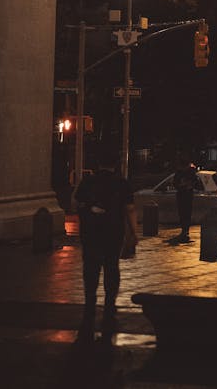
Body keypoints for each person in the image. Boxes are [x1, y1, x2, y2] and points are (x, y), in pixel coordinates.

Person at [74, 144, 137, 344]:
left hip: (91, 234)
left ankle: (89, 307)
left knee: (90, 270)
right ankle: (109, 307)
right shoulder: (122, 184)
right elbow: (130, 210)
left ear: (98, 162)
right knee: (112, 268)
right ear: (116, 163)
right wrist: (133, 234)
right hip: (113, 233)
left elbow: (74, 204)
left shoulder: (87, 182)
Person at [171, 158, 198, 243]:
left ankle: (185, 230)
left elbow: (194, 183)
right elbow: (175, 183)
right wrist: (182, 185)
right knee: (184, 213)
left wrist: (187, 185)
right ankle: (184, 230)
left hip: (186, 194)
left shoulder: (190, 172)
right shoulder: (180, 173)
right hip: (183, 194)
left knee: (185, 213)